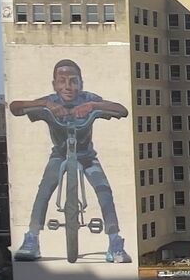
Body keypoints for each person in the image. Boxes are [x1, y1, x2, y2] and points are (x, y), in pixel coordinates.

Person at [10, 59, 129, 262]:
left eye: (73, 81)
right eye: (62, 81)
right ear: (54, 84)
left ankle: (115, 241)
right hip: (59, 155)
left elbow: (121, 110)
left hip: (86, 156)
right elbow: (15, 107)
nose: (68, 86)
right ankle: (32, 238)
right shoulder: (50, 101)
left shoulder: (88, 99)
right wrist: (45, 105)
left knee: (104, 191)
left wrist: (94, 106)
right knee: (44, 190)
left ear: (81, 83)